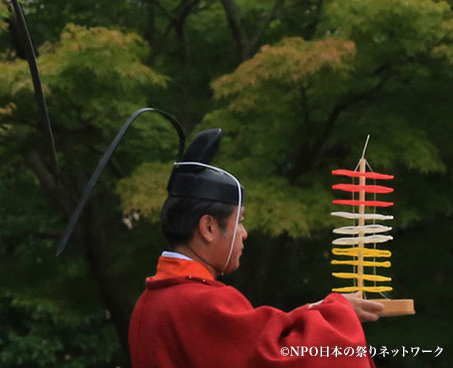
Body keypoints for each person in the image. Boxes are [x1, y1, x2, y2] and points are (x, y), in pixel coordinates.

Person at [128, 127, 384, 368]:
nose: (244, 233)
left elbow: (256, 338)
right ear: (208, 228)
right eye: (239, 221)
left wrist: (315, 311)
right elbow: (272, 355)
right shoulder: (201, 302)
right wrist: (338, 318)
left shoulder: (154, 299)